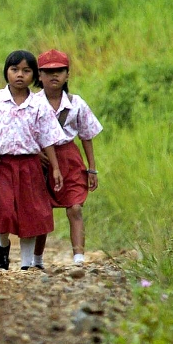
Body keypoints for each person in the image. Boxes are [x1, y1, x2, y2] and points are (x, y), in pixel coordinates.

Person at [0, 50, 65, 271]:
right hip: (2, 164)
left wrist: (55, 168)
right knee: (5, 209)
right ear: (6, 72)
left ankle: (26, 264)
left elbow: (49, 138)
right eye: (14, 70)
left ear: (34, 75)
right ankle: (3, 247)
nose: (20, 75)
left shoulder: (39, 105)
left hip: (30, 165)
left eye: (26, 70)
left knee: (30, 212)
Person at [31, 49, 103, 267]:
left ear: (67, 75)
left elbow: (87, 136)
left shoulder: (76, 103)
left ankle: (78, 257)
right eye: (48, 71)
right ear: (39, 76)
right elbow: (24, 133)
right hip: (40, 160)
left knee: (75, 207)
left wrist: (92, 168)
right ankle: (36, 259)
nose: (55, 76)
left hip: (70, 159)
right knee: (42, 212)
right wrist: (36, 153)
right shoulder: (32, 104)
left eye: (60, 71)